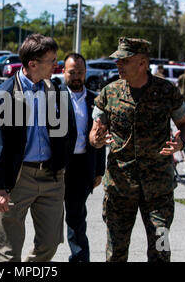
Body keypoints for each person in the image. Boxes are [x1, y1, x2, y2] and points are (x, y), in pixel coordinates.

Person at [89, 37, 185, 262]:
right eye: (117, 61)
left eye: (124, 60)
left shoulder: (167, 91)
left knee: (161, 249)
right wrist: (96, 139)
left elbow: (184, 124)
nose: (118, 65)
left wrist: (181, 142)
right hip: (120, 187)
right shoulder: (109, 93)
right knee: (115, 252)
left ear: (143, 63)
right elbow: (95, 132)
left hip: (159, 190)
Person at [0, 33, 77, 262]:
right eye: (52, 61)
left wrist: (61, 164)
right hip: (18, 178)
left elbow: (69, 131)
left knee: (51, 244)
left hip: (52, 178)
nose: (57, 65)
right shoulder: (5, 94)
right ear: (33, 64)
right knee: (8, 251)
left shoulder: (57, 92)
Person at [61, 53, 106, 262]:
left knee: (76, 217)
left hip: (82, 167)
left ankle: (80, 258)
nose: (76, 76)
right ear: (63, 72)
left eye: (80, 72)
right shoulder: (52, 97)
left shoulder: (96, 100)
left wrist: (99, 171)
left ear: (86, 72)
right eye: (72, 72)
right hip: (57, 166)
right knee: (49, 218)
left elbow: (101, 139)